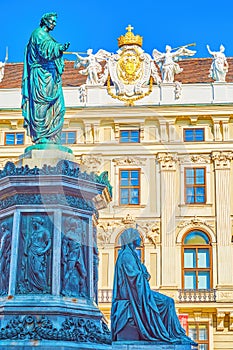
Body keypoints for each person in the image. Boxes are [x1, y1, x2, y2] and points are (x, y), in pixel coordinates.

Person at [111, 228, 197, 346]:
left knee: (168, 301)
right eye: (137, 236)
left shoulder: (131, 255)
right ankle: (172, 335)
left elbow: (136, 277)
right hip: (137, 295)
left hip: (140, 292)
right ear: (131, 239)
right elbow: (134, 279)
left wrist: (143, 274)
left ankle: (175, 334)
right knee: (167, 302)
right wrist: (144, 274)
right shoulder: (126, 256)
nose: (139, 239)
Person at [21, 13, 70, 144]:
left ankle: (51, 136)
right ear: (45, 21)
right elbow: (44, 50)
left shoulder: (47, 36)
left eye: (55, 22)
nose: (54, 24)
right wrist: (59, 48)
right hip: (42, 74)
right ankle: (40, 134)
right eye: (52, 21)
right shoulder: (38, 33)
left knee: (58, 107)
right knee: (41, 103)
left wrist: (58, 49)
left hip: (51, 73)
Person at [61, 217, 87, 297]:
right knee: (69, 271)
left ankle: (82, 291)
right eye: (76, 224)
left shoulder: (77, 234)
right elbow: (64, 246)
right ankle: (63, 289)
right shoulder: (68, 234)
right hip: (72, 255)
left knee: (84, 274)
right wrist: (64, 255)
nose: (77, 226)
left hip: (79, 256)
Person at [25, 216, 51, 293]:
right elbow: (31, 242)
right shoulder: (34, 232)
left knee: (37, 270)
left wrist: (44, 251)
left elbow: (49, 242)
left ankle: (44, 287)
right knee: (31, 271)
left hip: (39, 252)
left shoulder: (45, 231)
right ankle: (34, 289)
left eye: (34, 222)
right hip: (31, 251)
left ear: (38, 222)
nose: (33, 224)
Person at [0, 221, 11, 295]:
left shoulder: (6, 235)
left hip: (3, 255)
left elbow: (3, 246)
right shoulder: (8, 234)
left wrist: (0, 255)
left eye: (2, 227)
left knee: (1, 271)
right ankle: (4, 289)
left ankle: (4, 289)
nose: (1, 229)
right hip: (5, 254)